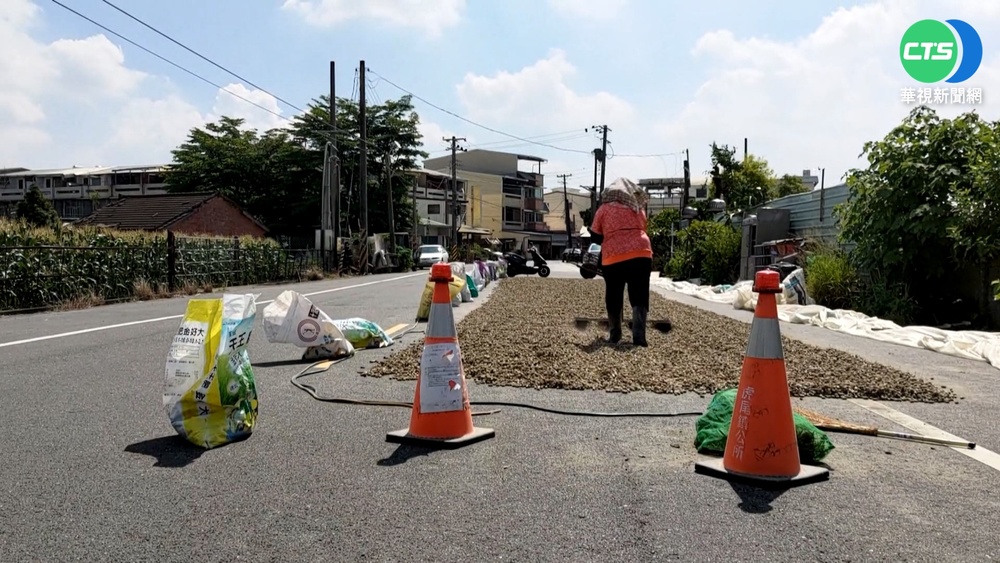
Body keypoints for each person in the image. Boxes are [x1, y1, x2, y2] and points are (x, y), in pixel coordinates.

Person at [587, 178, 653, 347]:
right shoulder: (637, 208)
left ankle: (615, 335)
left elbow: (595, 236)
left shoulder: (603, 209)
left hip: (614, 255)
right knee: (639, 294)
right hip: (641, 252)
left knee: (614, 294)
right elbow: (643, 229)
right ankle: (639, 338)